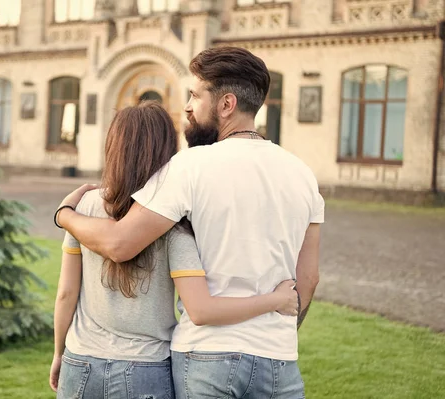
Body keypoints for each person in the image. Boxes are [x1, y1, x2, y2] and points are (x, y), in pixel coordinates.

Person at [55, 47, 324, 398]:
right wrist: (281, 332)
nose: (187, 106)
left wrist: (65, 216)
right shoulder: (303, 175)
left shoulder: (190, 167)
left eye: (195, 96)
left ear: (226, 104)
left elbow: (120, 243)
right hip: (278, 358)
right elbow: (309, 278)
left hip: (205, 356)